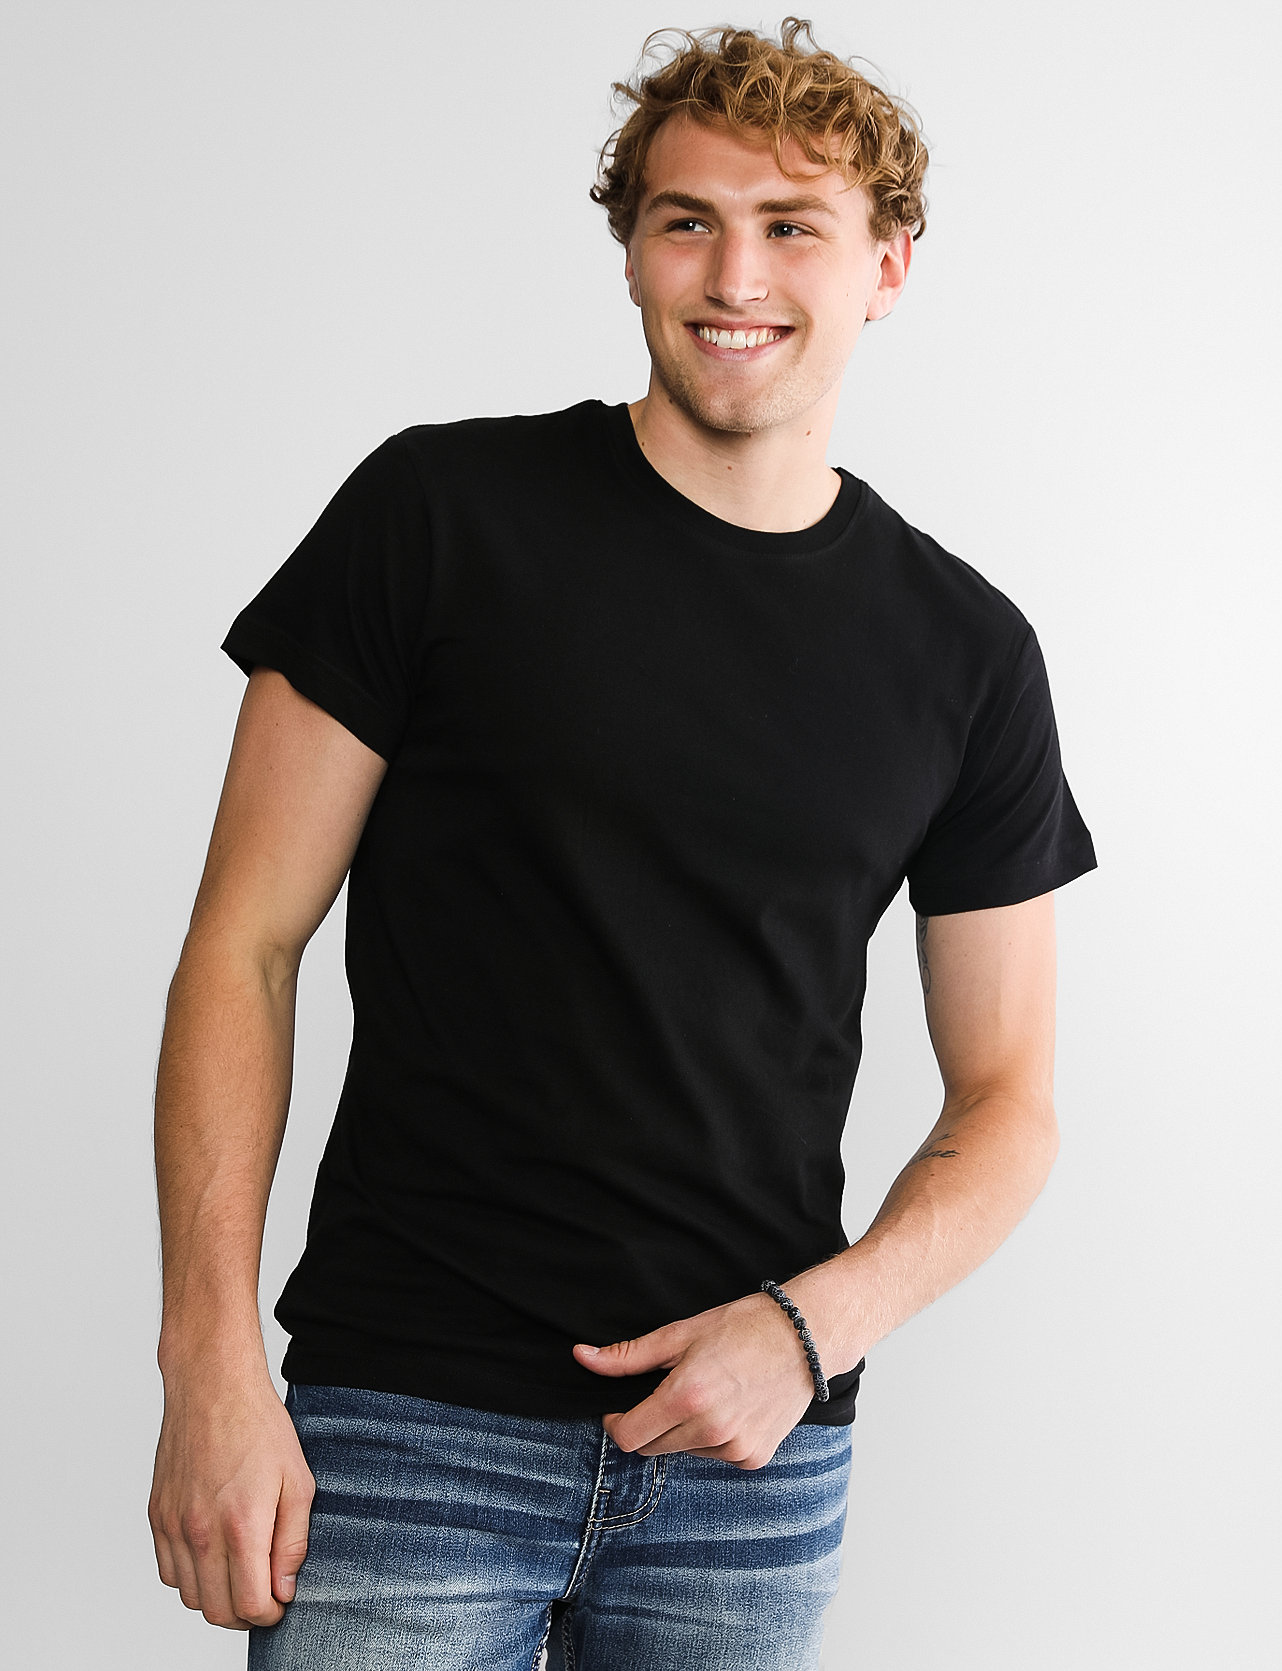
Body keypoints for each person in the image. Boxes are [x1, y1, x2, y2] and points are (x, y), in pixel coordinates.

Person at [147, 17, 1096, 1669]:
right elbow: (245, 944)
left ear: (887, 266)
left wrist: (808, 1334)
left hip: (750, 1468)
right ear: (632, 250)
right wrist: (206, 1361)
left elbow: (1008, 1099)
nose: (734, 275)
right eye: (685, 221)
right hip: (409, 1426)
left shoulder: (966, 651)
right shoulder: (436, 517)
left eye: (791, 225)